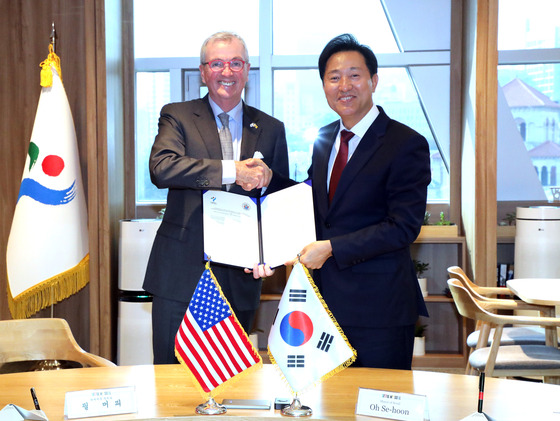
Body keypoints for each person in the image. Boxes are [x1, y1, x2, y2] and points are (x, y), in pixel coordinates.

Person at [254, 33, 431, 369]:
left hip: (379, 308)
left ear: (373, 81)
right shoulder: (324, 138)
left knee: (376, 406)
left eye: (354, 75)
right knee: (329, 407)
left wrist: (332, 246)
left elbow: (402, 227)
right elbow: (313, 200)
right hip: (323, 305)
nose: (344, 85)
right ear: (324, 86)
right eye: (334, 77)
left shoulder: (405, 143)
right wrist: (269, 178)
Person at [143, 31, 289, 364]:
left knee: (229, 382)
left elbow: (278, 198)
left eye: (235, 63)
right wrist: (232, 171)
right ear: (203, 71)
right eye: (218, 63)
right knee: (172, 381)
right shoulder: (177, 116)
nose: (227, 72)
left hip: (241, 277)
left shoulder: (270, 127)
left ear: (247, 70)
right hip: (181, 275)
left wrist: (269, 180)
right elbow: (162, 168)